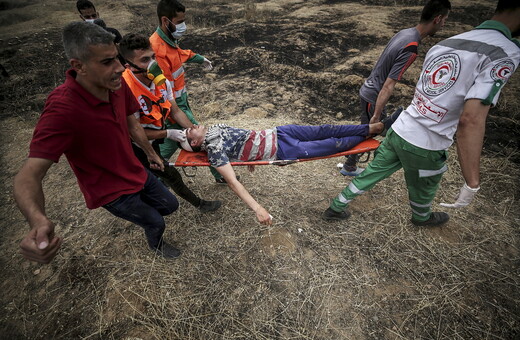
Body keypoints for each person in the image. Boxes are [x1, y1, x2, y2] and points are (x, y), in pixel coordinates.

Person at [323, 0, 520, 226]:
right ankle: (421, 217)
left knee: (372, 173)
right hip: (427, 144)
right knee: (424, 187)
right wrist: (472, 181)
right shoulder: (504, 52)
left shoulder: (444, 44)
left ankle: (337, 205)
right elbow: (471, 119)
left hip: (400, 130)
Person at [13, 22, 183, 264]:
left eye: (116, 58)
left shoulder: (116, 83)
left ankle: (145, 213)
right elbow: (27, 177)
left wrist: (150, 153)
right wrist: (38, 220)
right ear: (78, 66)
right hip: (111, 190)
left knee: (170, 205)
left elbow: (131, 122)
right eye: (106, 62)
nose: (118, 68)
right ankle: (156, 244)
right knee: (156, 221)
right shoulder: (62, 110)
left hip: (137, 171)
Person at [181, 114, 400, 225]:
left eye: (188, 128)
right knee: (331, 145)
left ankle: (374, 127)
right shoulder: (215, 151)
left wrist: (246, 156)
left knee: (326, 129)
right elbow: (233, 182)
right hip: (283, 149)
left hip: (281, 132)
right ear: (195, 144)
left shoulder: (214, 129)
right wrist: (257, 208)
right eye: (189, 134)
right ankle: (368, 135)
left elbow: (241, 139)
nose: (191, 127)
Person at [339, 0, 451, 176]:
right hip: (373, 95)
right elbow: (389, 85)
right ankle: (354, 163)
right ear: (437, 19)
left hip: (368, 90)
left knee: (367, 131)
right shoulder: (411, 48)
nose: (445, 24)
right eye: (445, 19)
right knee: (379, 131)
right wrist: (376, 115)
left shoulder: (406, 33)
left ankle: (350, 165)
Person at [118, 33, 222, 213]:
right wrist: (168, 134)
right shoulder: (124, 91)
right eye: (144, 60)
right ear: (128, 65)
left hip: (153, 138)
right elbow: (133, 133)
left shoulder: (162, 82)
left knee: (158, 173)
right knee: (169, 175)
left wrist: (192, 130)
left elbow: (175, 110)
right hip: (132, 146)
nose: (152, 64)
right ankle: (198, 204)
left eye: (153, 57)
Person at [149, 0, 226, 183]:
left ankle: (153, 177)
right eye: (180, 21)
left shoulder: (168, 40)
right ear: (165, 20)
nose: (183, 25)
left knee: (169, 144)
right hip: (174, 106)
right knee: (203, 138)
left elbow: (179, 53)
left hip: (179, 101)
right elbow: (164, 91)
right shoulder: (157, 50)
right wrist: (174, 112)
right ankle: (222, 174)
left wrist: (199, 59)